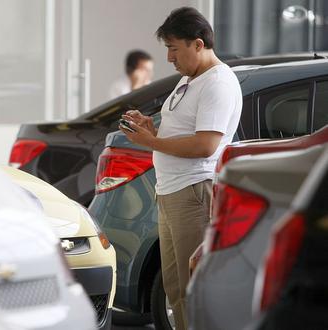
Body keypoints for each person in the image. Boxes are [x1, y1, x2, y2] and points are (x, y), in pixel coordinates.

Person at [118, 7, 242, 330]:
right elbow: (181, 133)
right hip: (171, 193)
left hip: (193, 193)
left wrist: (150, 142)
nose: (170, 58)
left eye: (174, 48)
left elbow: (205, 146)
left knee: (195, 289)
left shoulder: (218, 83)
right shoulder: (191, 80)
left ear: (198, 44)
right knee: (175, 289)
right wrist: (151, 129)